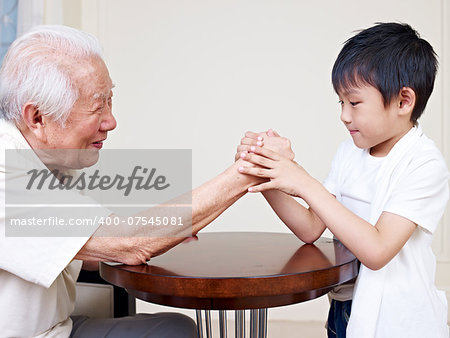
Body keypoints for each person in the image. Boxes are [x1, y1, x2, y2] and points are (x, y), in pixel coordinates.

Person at [0, 25, 260, 337]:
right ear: (38, 118)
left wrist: (161, 234)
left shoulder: (49, 159)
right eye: (98, 107)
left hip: (58, 327)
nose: (111, 121)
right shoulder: (9, 176)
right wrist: (248, 171)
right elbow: (125, 241)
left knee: (174, 327)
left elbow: (91, 247)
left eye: (110, 101)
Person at [237, 22, 449, 337]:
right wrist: (269, 170)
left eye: (354, 102)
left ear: (404, 102)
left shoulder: (423, 164)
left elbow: (377, 250)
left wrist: (303, 181)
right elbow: (311, 227)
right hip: (346, 310)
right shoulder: (350, 152)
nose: (344, 115)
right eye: (341, 102)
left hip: (399, 322)